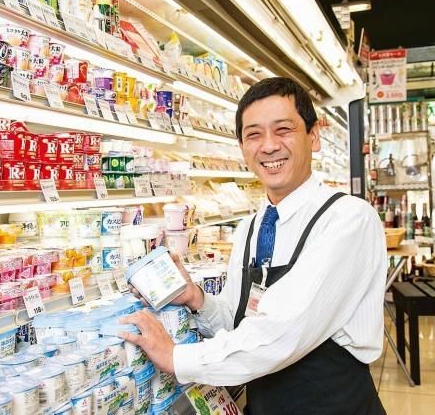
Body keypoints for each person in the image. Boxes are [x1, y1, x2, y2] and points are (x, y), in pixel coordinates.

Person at [120, 77, 387, 414]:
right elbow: (241, 324)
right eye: (254, 134)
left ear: (313, 136)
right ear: (242, 147)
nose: (269, 146)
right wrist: (197, 299)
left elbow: (284, 333)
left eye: (283, 130)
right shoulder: (251, 227)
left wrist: (176, 357)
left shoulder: (348, 219)